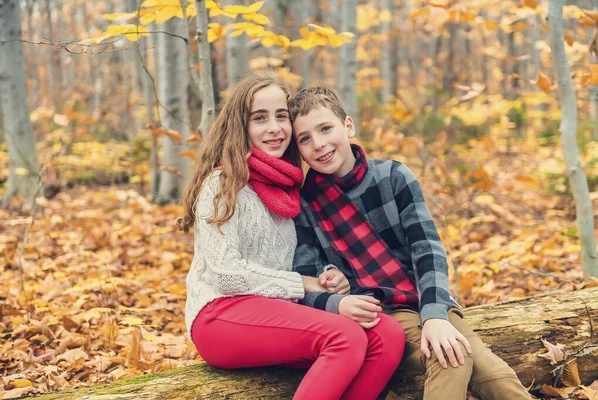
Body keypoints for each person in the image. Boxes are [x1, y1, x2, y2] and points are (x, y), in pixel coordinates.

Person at [290, 87, 531, 400]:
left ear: (348, 125)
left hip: (425, 295)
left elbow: (427, 250)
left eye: (325, 129)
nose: (319, 144)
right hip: (377, 312)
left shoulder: (393, 176)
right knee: (451, 357)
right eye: (305, 139)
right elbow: (306, 279)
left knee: (494, 375)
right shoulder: (305, 203)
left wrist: (433, 314)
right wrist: (332, 280)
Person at [179, 75, 405, 400]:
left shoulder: (287, 188)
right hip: (220, 315)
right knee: (345, 337)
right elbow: (226, 274)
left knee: (387, 334)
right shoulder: (222, 185)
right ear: (239, 126)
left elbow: (300, 258)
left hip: (279, 311)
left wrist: (327, 276)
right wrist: (306, 283)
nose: (274, 128)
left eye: (281, 116)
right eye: (260, 118)